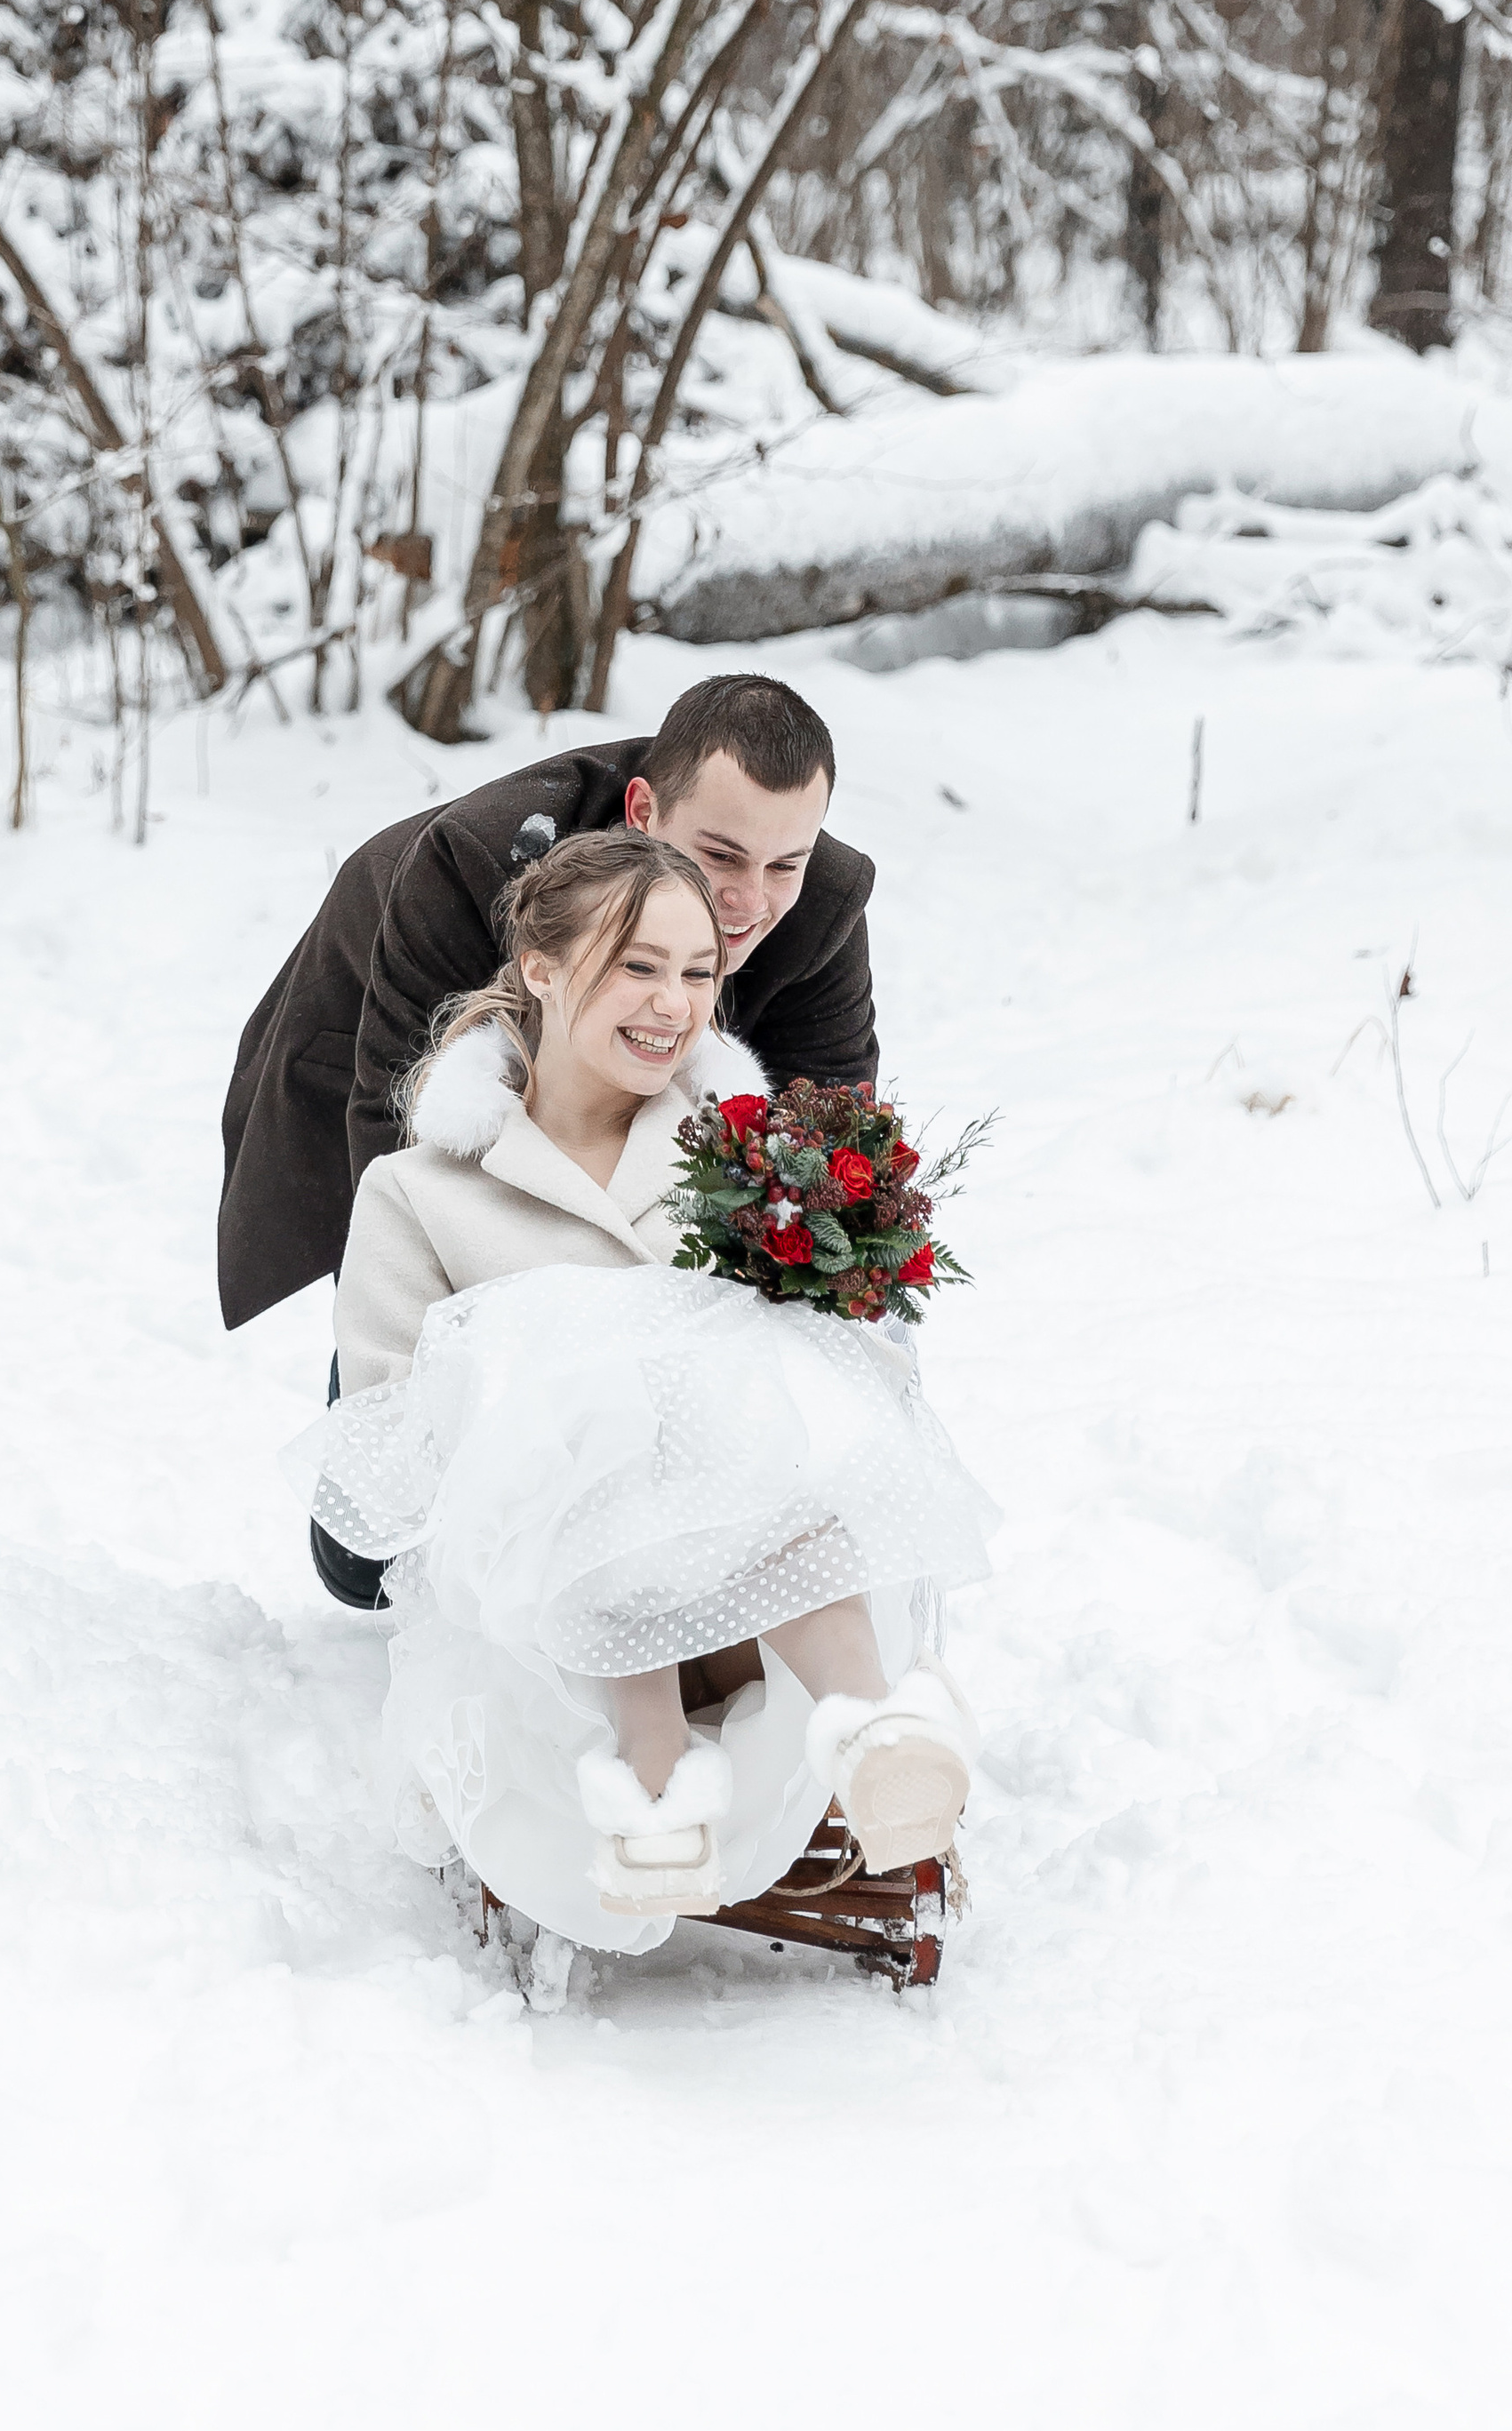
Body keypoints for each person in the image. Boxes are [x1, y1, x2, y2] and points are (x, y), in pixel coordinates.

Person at [300, 827, 994, 1956]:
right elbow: (385, 1433)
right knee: (588, 1397)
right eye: (637, 966)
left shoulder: (744, 1160)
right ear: (539, 965)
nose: (673, 1006)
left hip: (764, 1594)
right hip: (544, 1620)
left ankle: (877, 1732)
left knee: (765, 1390)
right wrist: (550, 1411)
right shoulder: (419, 1193)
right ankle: (651, 1780)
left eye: (697, 973)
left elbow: (857, 1382)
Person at [220, 670, 880, 1601]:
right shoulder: (471, 863)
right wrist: (472, 1358)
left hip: (627, 1089)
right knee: (368, 1564)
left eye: (784, 865)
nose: (747, 900)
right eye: (720, 856)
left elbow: (826, 1134)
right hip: (395, 1054)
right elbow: (399, 1138)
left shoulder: (815, 899)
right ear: (644, 811)